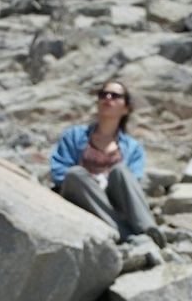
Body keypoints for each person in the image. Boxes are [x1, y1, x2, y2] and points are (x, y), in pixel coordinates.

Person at [49, 79, 165, 244]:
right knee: (75, 173)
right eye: (103, 94)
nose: (108, 98)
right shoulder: (74, 135)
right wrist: (93, 183)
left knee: (121, 171)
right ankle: (125, 234)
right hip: (83, 198)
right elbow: (59, 171)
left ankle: (148, 230)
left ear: (126, 108)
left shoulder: (133, 148)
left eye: (115, 96)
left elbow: (133, 183)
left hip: (114, 202)